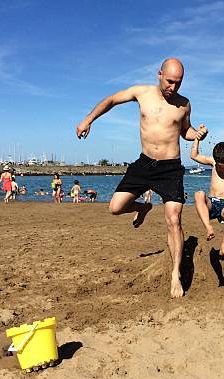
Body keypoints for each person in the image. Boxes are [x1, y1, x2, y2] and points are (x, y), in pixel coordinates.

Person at [75, 57, 207, 298]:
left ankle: (175, 273)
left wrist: (196, 133)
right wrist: (88, 119)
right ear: (159, 74)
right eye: (169, 82)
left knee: (174, 219)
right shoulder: (142, 92)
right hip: (144, 164)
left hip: (170, 167)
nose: (173, 88)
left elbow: (184, 130)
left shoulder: (184, 103)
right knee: (115, 208)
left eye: (178, 83)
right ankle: (143, 208)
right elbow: (112, 100)